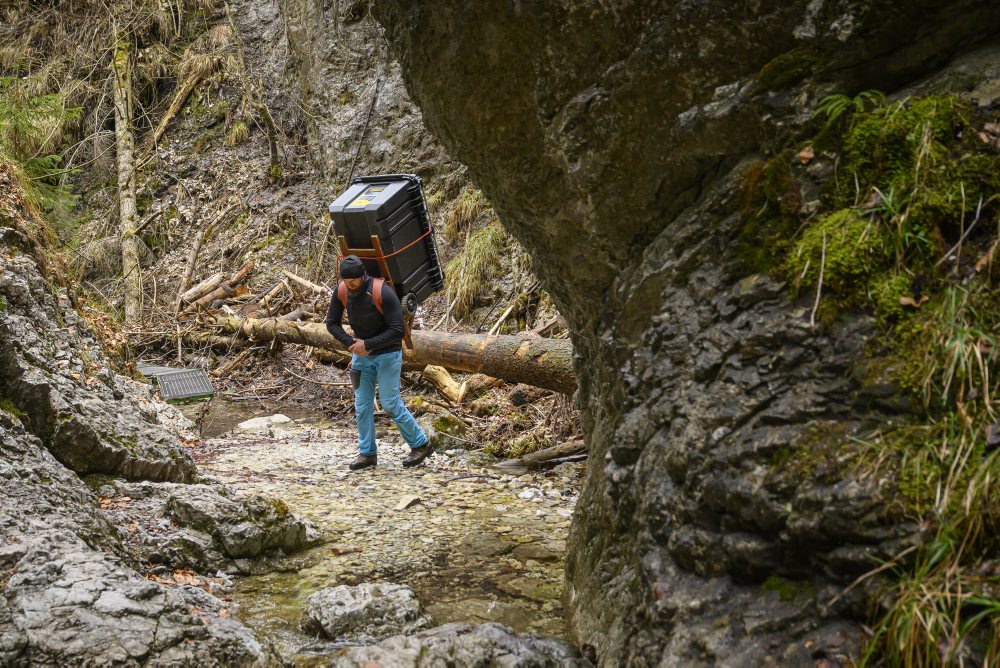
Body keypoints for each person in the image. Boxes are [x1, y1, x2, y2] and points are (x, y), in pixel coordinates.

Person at [325, 255, 432, 470]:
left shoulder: (381, 291)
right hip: (361, 357)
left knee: (390, 403)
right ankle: (367, 454)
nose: (351, 285)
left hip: (388, 355)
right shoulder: (341, 291)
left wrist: (369, 345)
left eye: (354, 281)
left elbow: (398, 330)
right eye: (347, 282)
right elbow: (331, 323)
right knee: (362, 406)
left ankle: (420, 444)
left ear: (363, 275)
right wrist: (351, 343)